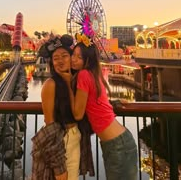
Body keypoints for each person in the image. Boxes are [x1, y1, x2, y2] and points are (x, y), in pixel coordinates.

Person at [59, 33, 138, 180]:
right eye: (73, 55)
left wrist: (68, 82)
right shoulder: (92, 75)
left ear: (88, 60)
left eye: (79, 57)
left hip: (118, 145)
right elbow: (97, 103)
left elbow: (77, 114)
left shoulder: (83, 75)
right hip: (116, 142)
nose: (73, 59)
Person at [31, 34, 94, 180]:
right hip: (61, 140)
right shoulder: (50, 85)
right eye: (55, 58)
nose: (60, 61)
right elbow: (50, 125)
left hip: (75, 137)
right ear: (51, 63)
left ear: (71, 57)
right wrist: (58, 167)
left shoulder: (76, 81)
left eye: (64, 56)